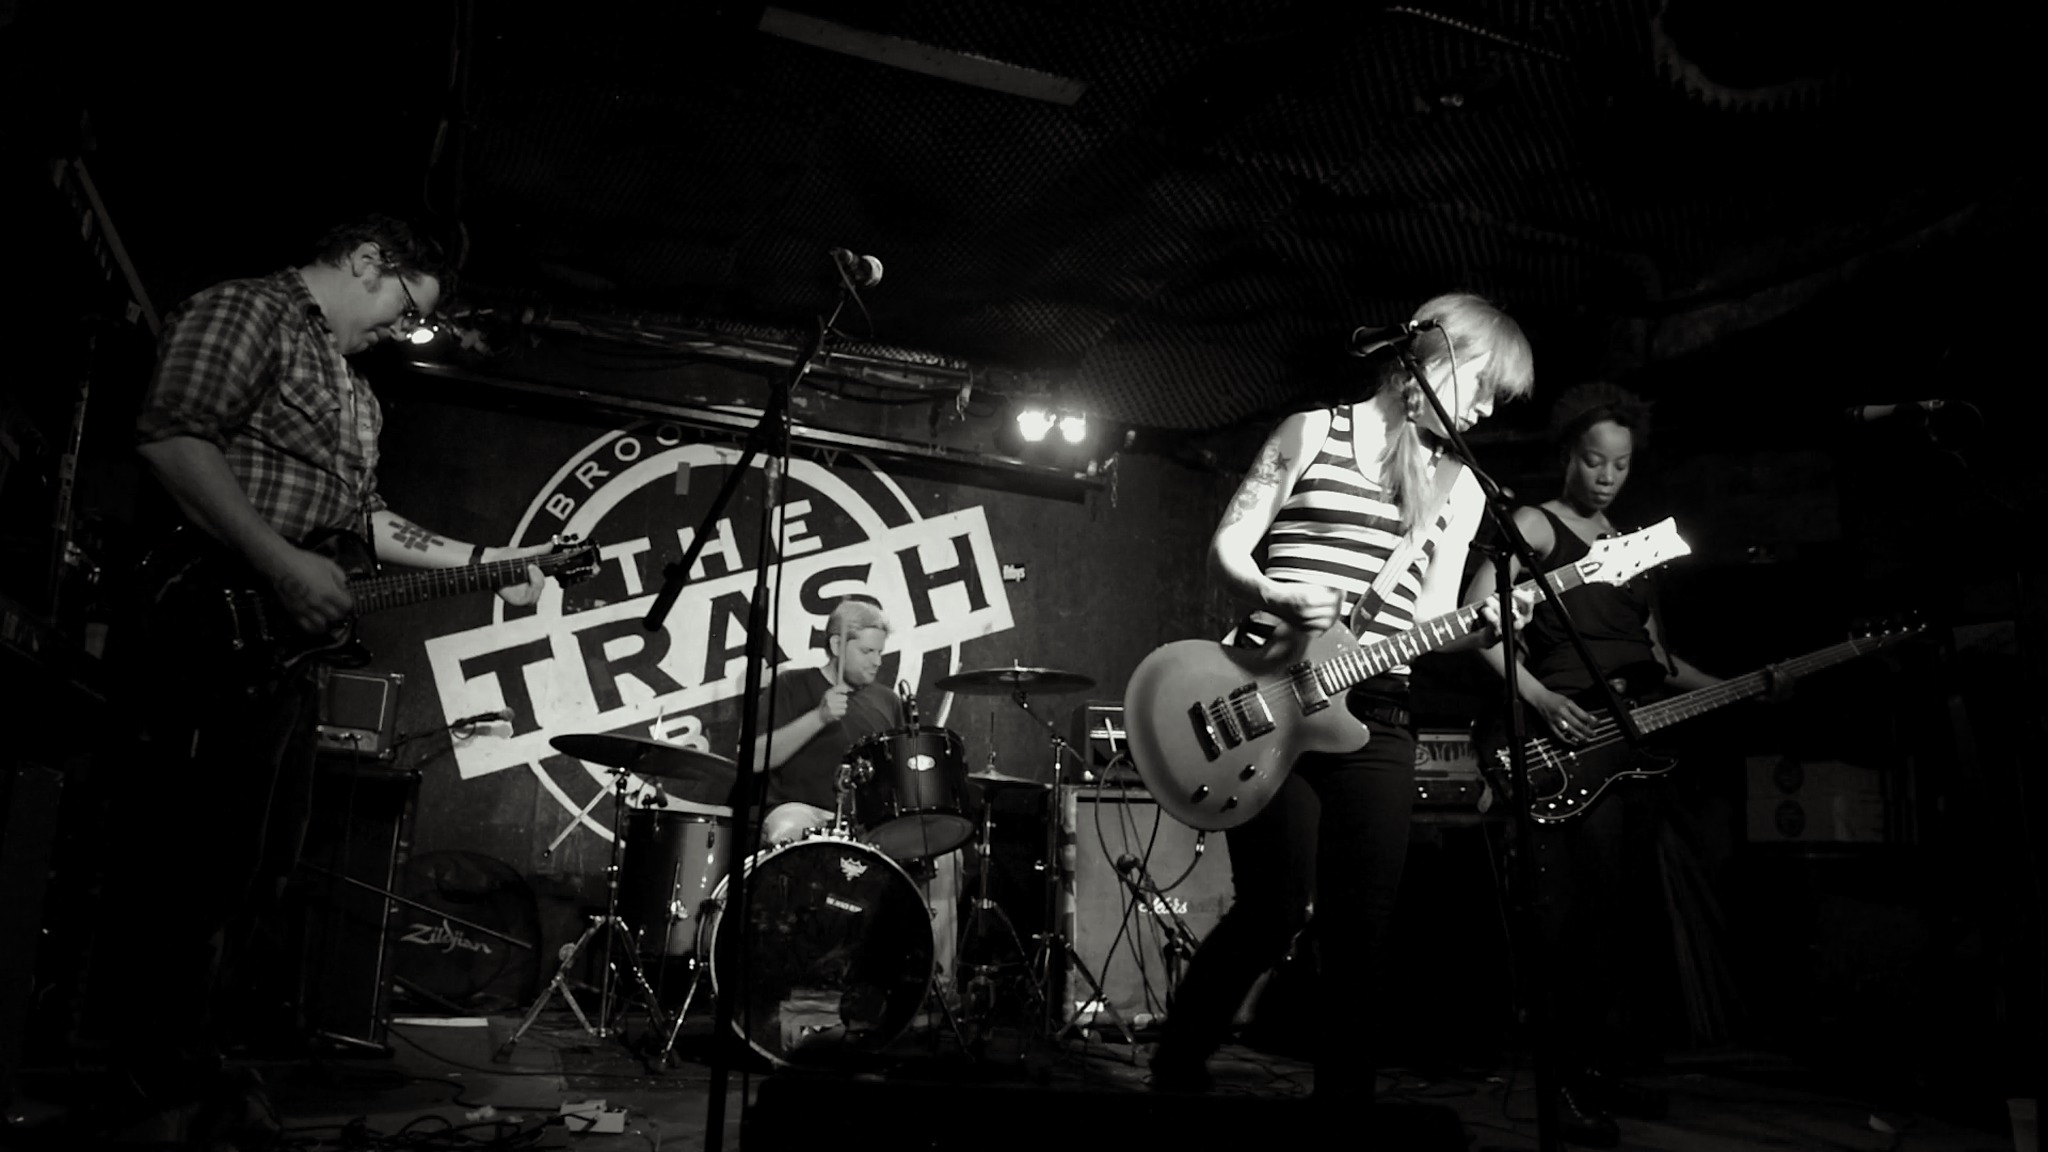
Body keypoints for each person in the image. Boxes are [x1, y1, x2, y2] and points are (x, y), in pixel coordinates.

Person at [95, 214, 558, 1145]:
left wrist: (495, 558)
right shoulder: (248, 312)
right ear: (366, 260)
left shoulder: (355, 391)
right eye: (400, 309)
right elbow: (172, 438)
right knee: (188, 868)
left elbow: (370, 524)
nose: (398, 332)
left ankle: (203, 1070)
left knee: (259, 867)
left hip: (280, 655)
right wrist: (278, 563)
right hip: (210, 619)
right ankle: (146, 1088)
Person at [1148, 292, 1535, 1103]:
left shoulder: (1460, 484)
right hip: (1270, 693)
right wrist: (1275, 590)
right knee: (1274, 909)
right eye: (1487, 383)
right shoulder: (1311, 432)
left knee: (1362, 934)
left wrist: (1485, 624)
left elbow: (1428, 619)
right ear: (1432, 357)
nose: (1491, 406)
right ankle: (1177, 1067)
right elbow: (1228, 543)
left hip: (1379, 712)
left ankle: (1344, 1115)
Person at [1463, 380, 1781, 1146]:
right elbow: (1481, 625)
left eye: (1621, 464)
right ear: (1568, 456)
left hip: (1632, 749)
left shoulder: (1637, 548)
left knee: (1618, 923)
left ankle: (1598, 1071)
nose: (1606, 477)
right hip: (1563, 744)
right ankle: (1562, 1084)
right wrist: (1538, 697)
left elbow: (1659, 657)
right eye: (1594, 460)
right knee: (1568, 925)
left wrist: (1743, 687)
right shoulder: (1536, 527)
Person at [745, 595, 962, 1008]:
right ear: (835, 645)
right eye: (867, 650)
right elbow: (753, 759)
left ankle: (933, 989)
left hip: (868, 824)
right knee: (785, 829)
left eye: (880, 651)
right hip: (805, 810)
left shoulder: (886, 701)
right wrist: (819, 718)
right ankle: (779, 978)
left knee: (946, 856)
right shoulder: (792, 685)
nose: (877, 660)